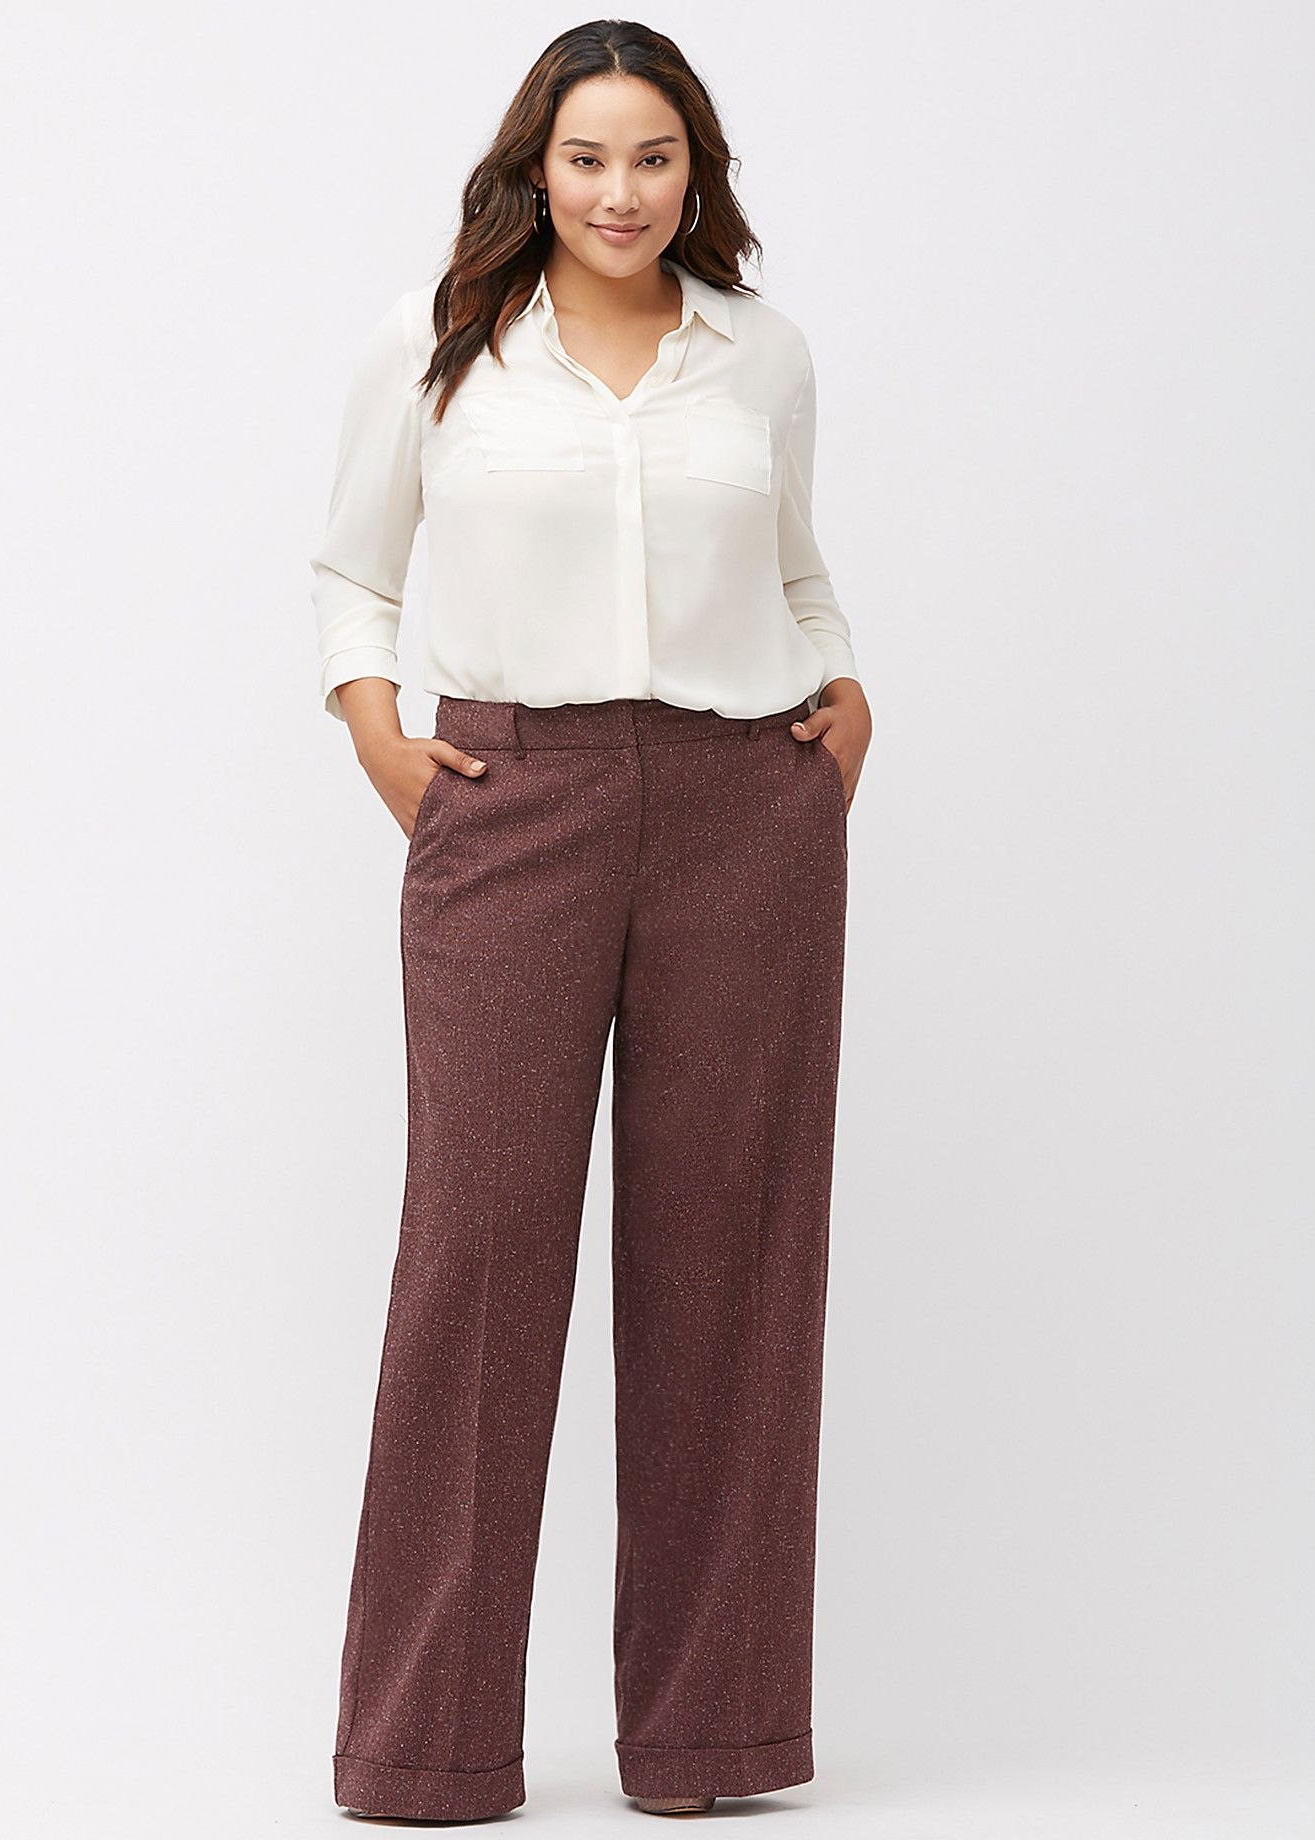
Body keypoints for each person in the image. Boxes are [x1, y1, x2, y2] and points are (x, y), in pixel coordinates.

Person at [309, 19, 872, 1824]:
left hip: (743, 812)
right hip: (513, 798)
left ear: (694, 173)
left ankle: (711, 1739)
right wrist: (381, 735)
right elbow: (353, 571)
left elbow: (796, 569)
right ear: (534, 169)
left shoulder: (760, 353)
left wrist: (846, 694)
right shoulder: (437, 342)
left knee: (731, 1262)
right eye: (586, 158)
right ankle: (427, 1748)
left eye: (653, 158)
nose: (619, 192)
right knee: (476, 1255)